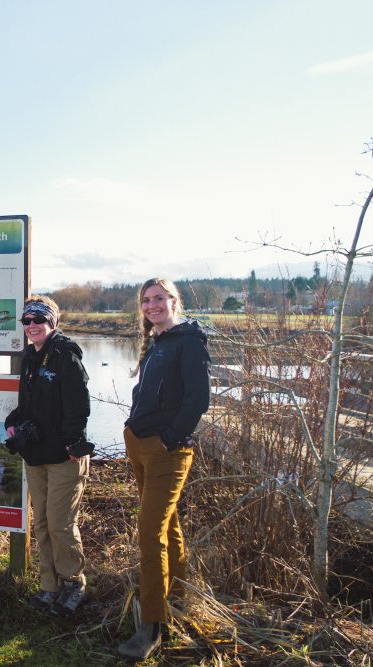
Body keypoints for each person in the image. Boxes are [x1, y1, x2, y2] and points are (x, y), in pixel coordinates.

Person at [119, 278, 210, 660]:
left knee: (149, 532)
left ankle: (151, 626)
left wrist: (170, 439)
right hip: (140, 445)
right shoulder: (158, 342)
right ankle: (180, 600)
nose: (152, 305)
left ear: (174, 301)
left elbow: (198, 399)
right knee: (167, 525)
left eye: (159, 298)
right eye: (146, 300)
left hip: (166, 452)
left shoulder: (189, 342)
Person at [4, 295, 92, 617]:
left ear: (52, 322)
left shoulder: (66, 356)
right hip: (36, 455)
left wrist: (72, 443)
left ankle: (74, 583)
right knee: (41, 523)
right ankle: (49, 585)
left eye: (38, 319)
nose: (32, 326)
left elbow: (79, 407)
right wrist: (14, 421)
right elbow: (29, 404)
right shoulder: (30, 357)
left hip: (64, 457)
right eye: (26, 320)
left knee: (60, 524)